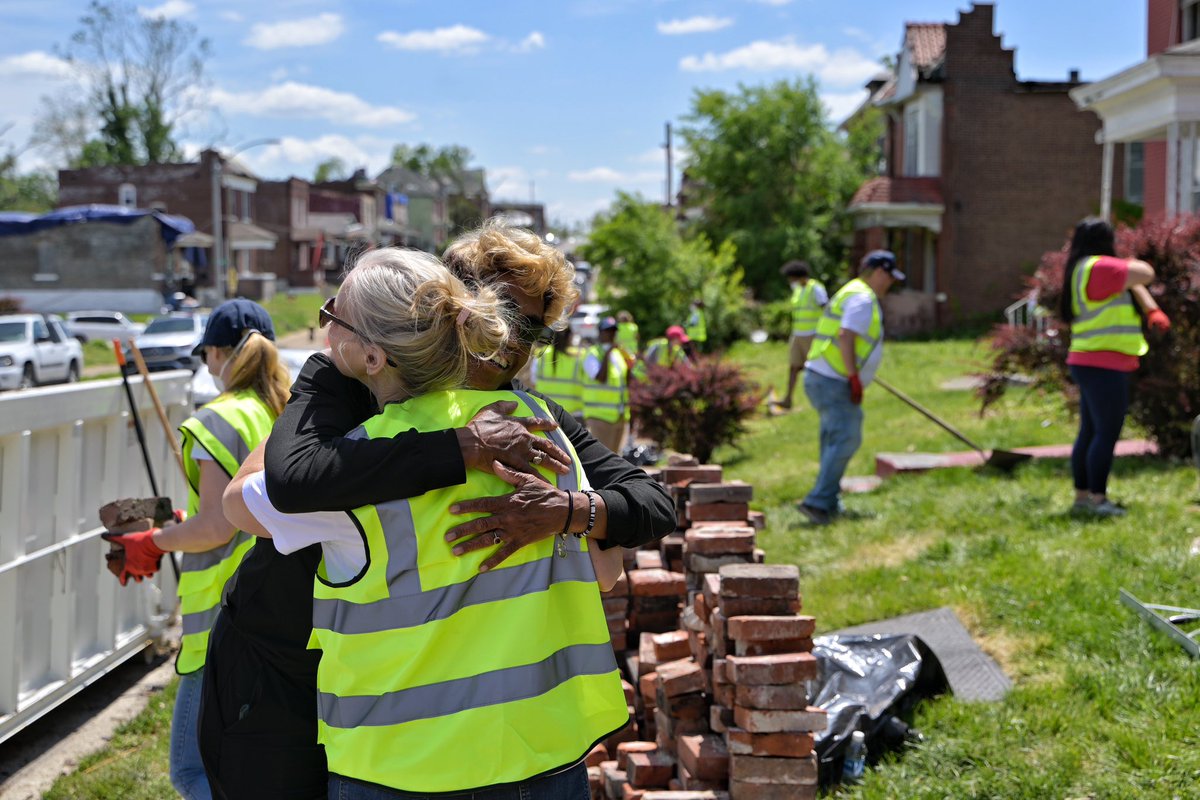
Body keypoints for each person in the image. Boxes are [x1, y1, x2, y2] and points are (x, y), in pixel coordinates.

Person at [205, 219, 674, 798]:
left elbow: (242, 502)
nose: (514, 341)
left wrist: (325, 381)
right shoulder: (541, 432)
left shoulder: (362, 433)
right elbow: (606, 572)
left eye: (533, 330)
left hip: (402, 763)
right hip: (539, 753)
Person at [103, 299, 290, 800]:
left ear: (217, 354)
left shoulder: (217, 419)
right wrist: (179, 521)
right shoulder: (281, 409)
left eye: (207, 354)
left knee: (194, 772)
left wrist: (153, 540)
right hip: (279, 607)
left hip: (220, 623)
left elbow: (216, 527)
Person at [1060, 217, 1170, 517]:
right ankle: (1099, 501)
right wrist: (1127, 259)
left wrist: (1152, 309)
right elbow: (1146, 273)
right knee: (1105, 434)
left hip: (1088, 360)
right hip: (1104, 364)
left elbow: (1133, 283)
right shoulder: (1101, 267)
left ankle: (1082, 498)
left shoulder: (1082, 269)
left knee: (1090, 432)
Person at [797, 251, 904, 526]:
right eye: (890, 277)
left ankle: (828, 502)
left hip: (822, 375)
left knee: (833, 438)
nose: (890, 283)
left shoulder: (851, 290)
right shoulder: (863, 297)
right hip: (833, 379)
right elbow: (846, 335)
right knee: (847, 437)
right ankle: (818, 502)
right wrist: (854, 376)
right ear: (879, 271)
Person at [778, 260, 827, 410]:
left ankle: (822, 400)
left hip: (812, 334)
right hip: (798, 334)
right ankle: (788, 398)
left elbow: (826, 309)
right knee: (793, 366)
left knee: (815, 369)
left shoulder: (816, 289)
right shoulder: (799, 290)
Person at [582, 316, 630, 452]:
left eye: (613, 332)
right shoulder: (592, 354)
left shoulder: (617, 354)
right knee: (603, 459)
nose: (611, 335)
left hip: (618, 416)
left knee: (616, 459)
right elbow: (600, 377)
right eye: (608, 331)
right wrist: (608, 352)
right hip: (599, 417)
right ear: (600, 333)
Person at [535, 326, 584, 420]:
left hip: (546, 413)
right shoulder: (579, 356)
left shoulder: (542, 354)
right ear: (570, 337)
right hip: (574, 415)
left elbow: (532, 381)